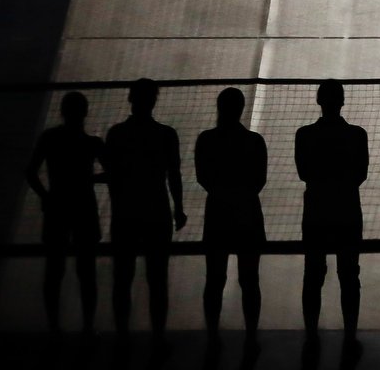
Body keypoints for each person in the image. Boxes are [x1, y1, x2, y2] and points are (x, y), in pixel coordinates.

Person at [105, 78, 187, 347]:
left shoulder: (117, 134)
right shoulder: (165, 135)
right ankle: (158, 335)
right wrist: (179, 209)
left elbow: (113, 176)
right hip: (156, 211)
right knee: (157, 278)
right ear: (154, 100)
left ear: (130, 98)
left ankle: (121, 335)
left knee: (123, 277)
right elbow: (173, 175)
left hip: (126, 213)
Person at [295, 80, 368, 356]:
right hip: (347, 208)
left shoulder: (305, 135)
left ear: (319, 101)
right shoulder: (356, 135)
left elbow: (304, 173)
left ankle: (311, 334)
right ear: (342, 101)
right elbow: (360, 174)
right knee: (349, 274)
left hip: (316, 209)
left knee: (313, 274)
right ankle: (350, 333)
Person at [25, 91, 106, 334]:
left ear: (62, 111)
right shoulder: (92, 143)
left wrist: (46, 196)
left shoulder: (50, 138)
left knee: (55, 271)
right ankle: (88, 327)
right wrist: (89, 178)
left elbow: (31, 172)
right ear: (85, 112)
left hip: (58, 207)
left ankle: (54, 326)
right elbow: (114, 172)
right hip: (84, 207)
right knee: (86, 272)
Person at [195, 87, 267, 352]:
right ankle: (250, 336)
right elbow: (259, 179)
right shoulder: (254, 141)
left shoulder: (206, 140)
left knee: (214, 278)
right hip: (248, 214)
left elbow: (203, 176)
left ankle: (213, 336)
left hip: (218, 215)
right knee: (250, 279)